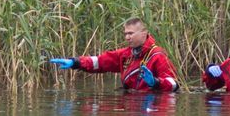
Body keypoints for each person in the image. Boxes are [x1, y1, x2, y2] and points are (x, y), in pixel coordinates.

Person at [48, 18, 179, 91]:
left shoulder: (158, 55)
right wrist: (75, 62)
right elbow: (100, 62)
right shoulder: (126, 54)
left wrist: (155, 82)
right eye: (126, 33)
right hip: (131, 103)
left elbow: (173, 83)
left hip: (153, 106)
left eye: (131, 33)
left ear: (144, 33)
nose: (127, 37)